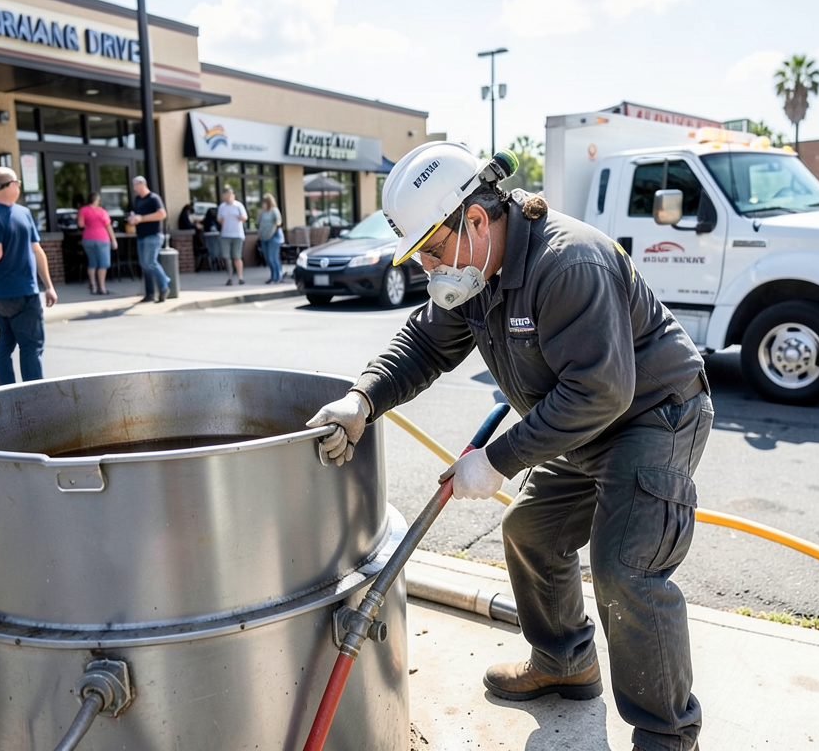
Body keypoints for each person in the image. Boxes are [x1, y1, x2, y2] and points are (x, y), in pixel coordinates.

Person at [306, 142, 712, 751]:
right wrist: (362, 398)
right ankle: (566, 660)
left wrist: (497, 460)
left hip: (652, 418)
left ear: (473, 218)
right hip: (583, 423)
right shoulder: (474, 268)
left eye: (432, 249)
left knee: (626, 569)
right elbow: (425, 345)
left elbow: (600, 391)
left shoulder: (570, 264)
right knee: (531, 531)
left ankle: (668, 736)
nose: (427, 269)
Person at [0, 167, 57, 385]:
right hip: (22, 291)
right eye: (18, 182)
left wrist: (48, 285)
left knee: (5, 343)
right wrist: (48, 286)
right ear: (11, 184)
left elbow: (35, 250)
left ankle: (6, 393)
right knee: (32, 347)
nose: (19, 186)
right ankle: (35, 397)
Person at [127, 176, 170, 303]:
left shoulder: (154, 198)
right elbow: (136, 215)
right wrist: (133, 219)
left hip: (153, 235)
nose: (134, 187)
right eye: (133, 184)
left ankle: (164, 282)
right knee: (144, 265)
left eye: (137, 184)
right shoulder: (137, 200)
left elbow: (162, 214)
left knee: (150, 262)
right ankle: (150, 294)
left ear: (143, 184)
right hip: (141, 235)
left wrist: (142, 218)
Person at [77, 192, 117, 295]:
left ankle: (93, 286)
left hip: (88, 238)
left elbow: (80, 224)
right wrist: (114, 240)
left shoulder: (83, 210)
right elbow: (108, 226)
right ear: (97, 200)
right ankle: (102, 287)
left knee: (92, 263)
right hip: (102, 238)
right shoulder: (102, 211)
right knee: (103, 264)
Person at [217, 186, 248, 285]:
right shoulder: (222, 206)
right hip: (226, 234)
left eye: (230, 195)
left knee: (237, 256)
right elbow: (219, 219)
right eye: (226, 195)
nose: (228, 197)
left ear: (233, 195)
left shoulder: (238, 206)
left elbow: (245, 217)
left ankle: (240, 277)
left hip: (237, 235)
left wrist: (239, 218)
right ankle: (229, 277)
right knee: (227, 257)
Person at [257, 193, 283, 284]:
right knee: (268, 259)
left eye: (265, 202)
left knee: (273, 258)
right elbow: (258, 223)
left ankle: (278, 277)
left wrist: (270, 234)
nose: (263, 203)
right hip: (263, 237)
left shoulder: (274, 211)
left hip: (274, 238)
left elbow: (277, 224)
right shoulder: (262, 212)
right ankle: (272, 276)